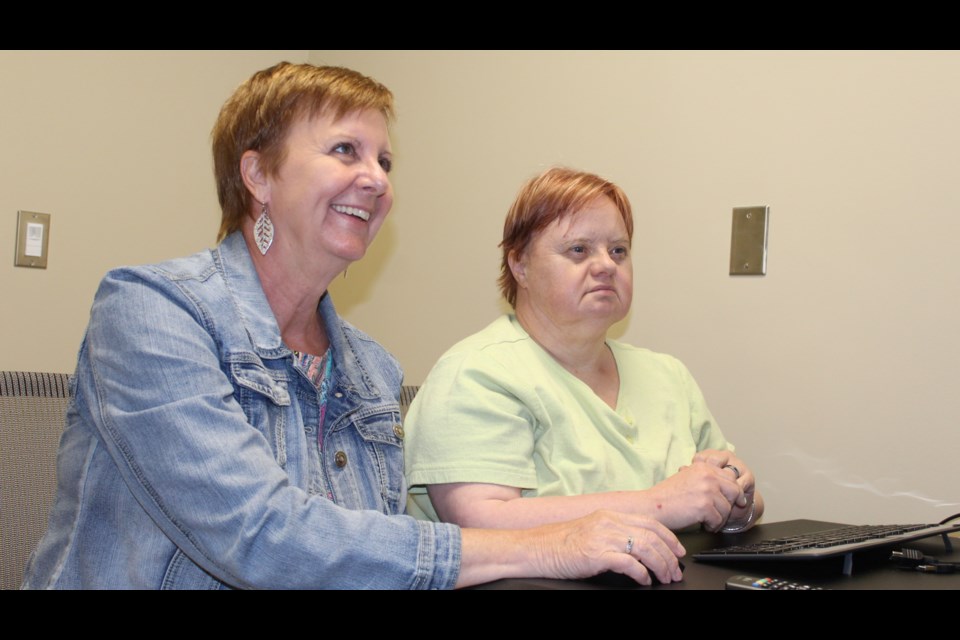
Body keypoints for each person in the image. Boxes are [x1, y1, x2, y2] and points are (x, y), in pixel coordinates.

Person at [22, 64, 684, 589]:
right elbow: (260, 538)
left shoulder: (371, 368)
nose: (375, 179)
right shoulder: (150, 311)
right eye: (346, 150)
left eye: (385, 162)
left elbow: (375, 558)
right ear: (258, 174)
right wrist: (546, 545)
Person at [404, 167, 764, 534]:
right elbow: (481, 520)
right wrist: (662, 504)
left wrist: (738, 500)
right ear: (520, 266)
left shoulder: (668, 375)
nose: (607, 265)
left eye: (618, 251)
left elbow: (728, 497)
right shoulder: (476, 373)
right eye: (579, 250)